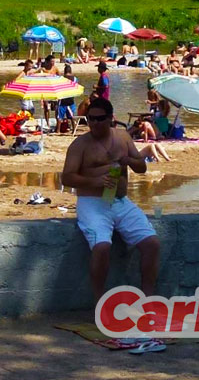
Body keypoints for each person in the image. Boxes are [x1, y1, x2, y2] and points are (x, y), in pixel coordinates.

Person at [61, 97, 160, 301]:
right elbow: (67, 177)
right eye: (91, 119)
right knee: (102, 247)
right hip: (92, 203)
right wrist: (96, 181)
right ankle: (100, 302)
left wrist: (129, 160)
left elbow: (142, 167)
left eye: (100, 119)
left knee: (152, 243)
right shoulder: (80, 145)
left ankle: (148, 299)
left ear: (110, 119)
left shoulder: (123, 137)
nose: (95, 123)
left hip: (120, 201)